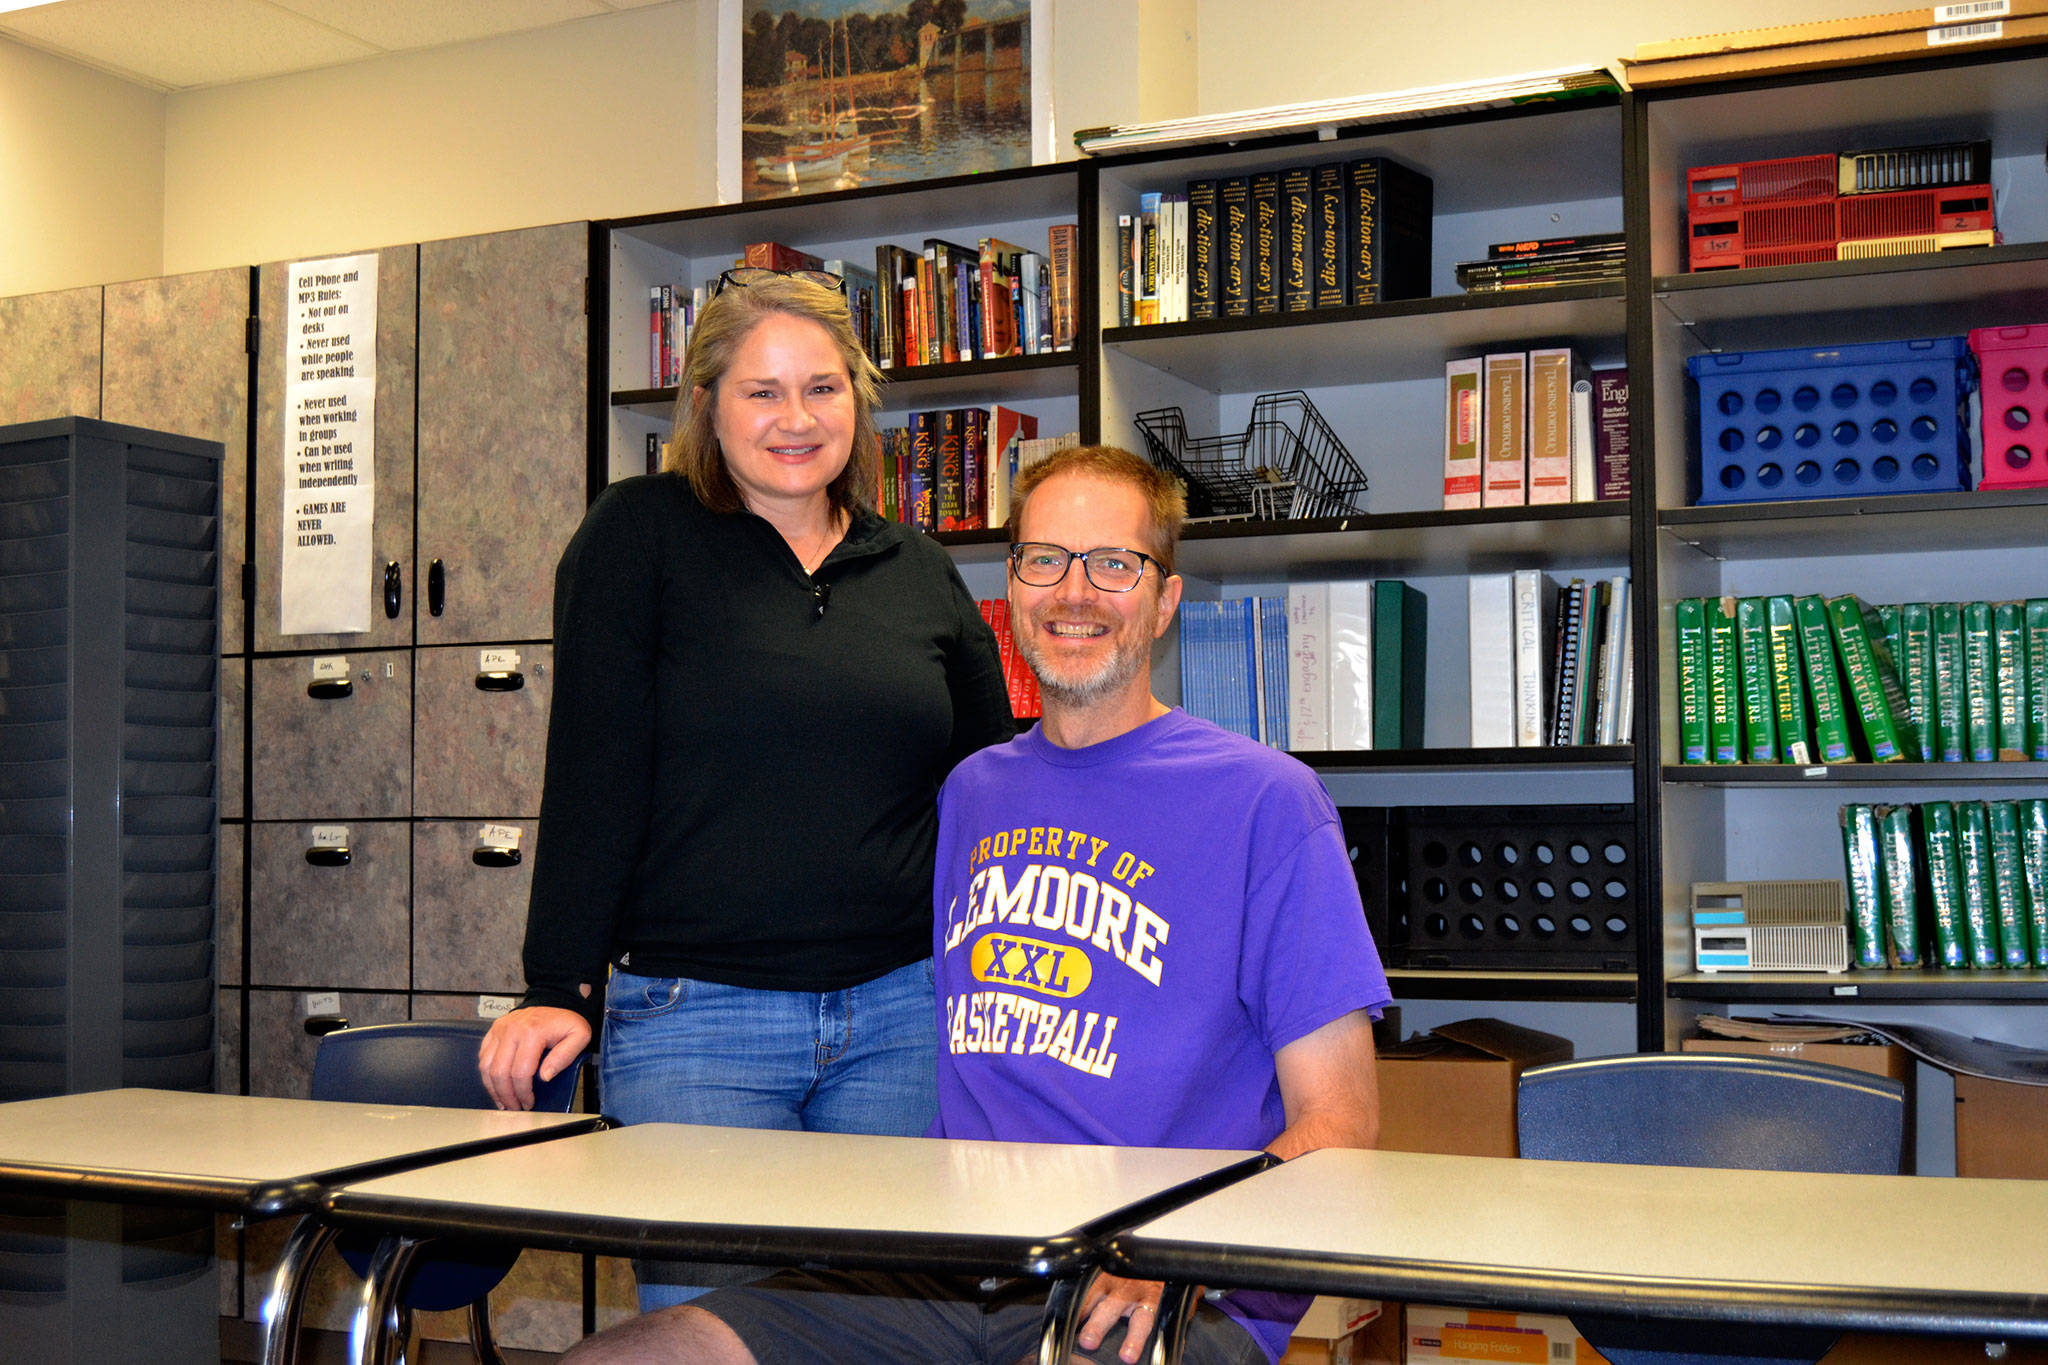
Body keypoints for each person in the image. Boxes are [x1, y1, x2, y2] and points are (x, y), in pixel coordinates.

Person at [564, 444, 1389, 1365]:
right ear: (1012, 591)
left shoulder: (1268, 802)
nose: (1074, 591)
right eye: (1046, 559)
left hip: (1167, 1286)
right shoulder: (971, 793)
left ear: (1164, 603)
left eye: (1114, 564)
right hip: (944, 1272)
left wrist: (1177, 1252)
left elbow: (1342, 1123)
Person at [478, 266, 1015, 1310]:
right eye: (760, 391)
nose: (794, 419)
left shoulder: (915, 564)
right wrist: (558, 984)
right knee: (714, 1335)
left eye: (821, 387)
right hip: (697, 1022)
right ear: (706, 405)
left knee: (887, 1331)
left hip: (905, 1013)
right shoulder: (639, 536)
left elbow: (988, 780)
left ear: (857, 402)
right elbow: (591, 771)